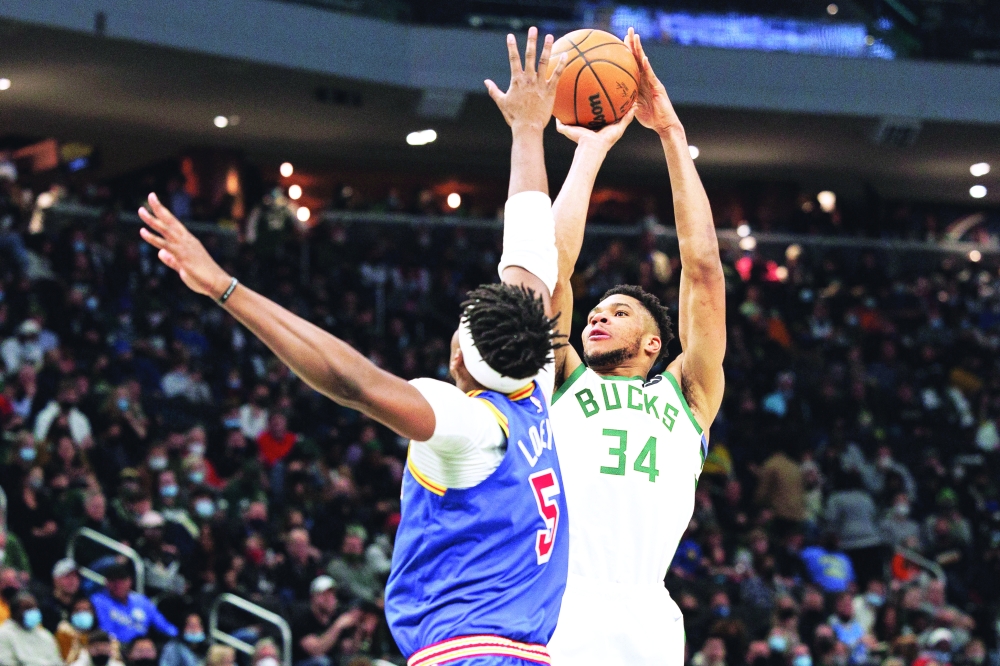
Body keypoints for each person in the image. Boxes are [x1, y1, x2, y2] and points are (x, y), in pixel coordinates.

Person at [139, 27, 570, 666]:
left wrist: (225, 287)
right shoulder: (533, 379)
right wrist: (529, 133)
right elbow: (531, 246)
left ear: (458, 358)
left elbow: (353, 381)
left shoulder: (468, 426)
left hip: (467, 655)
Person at [544, 28, 725, 665]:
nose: (596, 318)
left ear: (654, 342)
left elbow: (703, 272)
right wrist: (590, 152)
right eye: (594, 312)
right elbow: (552, 269)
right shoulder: (565, 378)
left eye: (616, 312)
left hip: (649, 612)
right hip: (562, 601)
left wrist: (672, 135)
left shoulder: (688, 392)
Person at [89, 563, 178, 644]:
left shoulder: (141, 601)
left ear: (129, 581)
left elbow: (163, 625)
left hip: (141, 647)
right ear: (107, 582)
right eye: (114, 581)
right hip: (114, 646)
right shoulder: (98, 601)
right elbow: (105, 631)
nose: (118, 585)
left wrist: (178, 636)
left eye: (122, 580)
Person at [291, 575, 358, 666]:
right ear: (314, 597)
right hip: (305, 662)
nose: (330, 599)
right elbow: (316, 650)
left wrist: (358, 629)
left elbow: (347, 649)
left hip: (331, 661)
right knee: (322, 662)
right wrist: (338, 626)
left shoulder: (335, 616)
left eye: (332, 594)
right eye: (325, 595)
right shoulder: (302, 618)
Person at [0, 591, 64, 665]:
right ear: (14, 611)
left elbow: (58, 662)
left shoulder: (45, 636)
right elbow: (6, 662)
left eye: (34, 608)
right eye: (27, 608)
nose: (33, 612)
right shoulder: (3, 634)